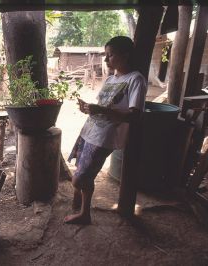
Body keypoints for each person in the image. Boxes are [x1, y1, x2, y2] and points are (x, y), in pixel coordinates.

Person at [64, 36, 147, 224]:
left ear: (124, 55)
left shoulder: (136, 79)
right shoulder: (110, 79)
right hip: (89, 131)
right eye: (106, 55)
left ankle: (82, 204)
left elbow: (135, 115)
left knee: (79, 179)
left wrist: (100, 110)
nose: (106, 59)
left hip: (105, 137)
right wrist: (88, 109)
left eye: (110, 55)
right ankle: (85, 213)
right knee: (83, 171)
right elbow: (104, 105)